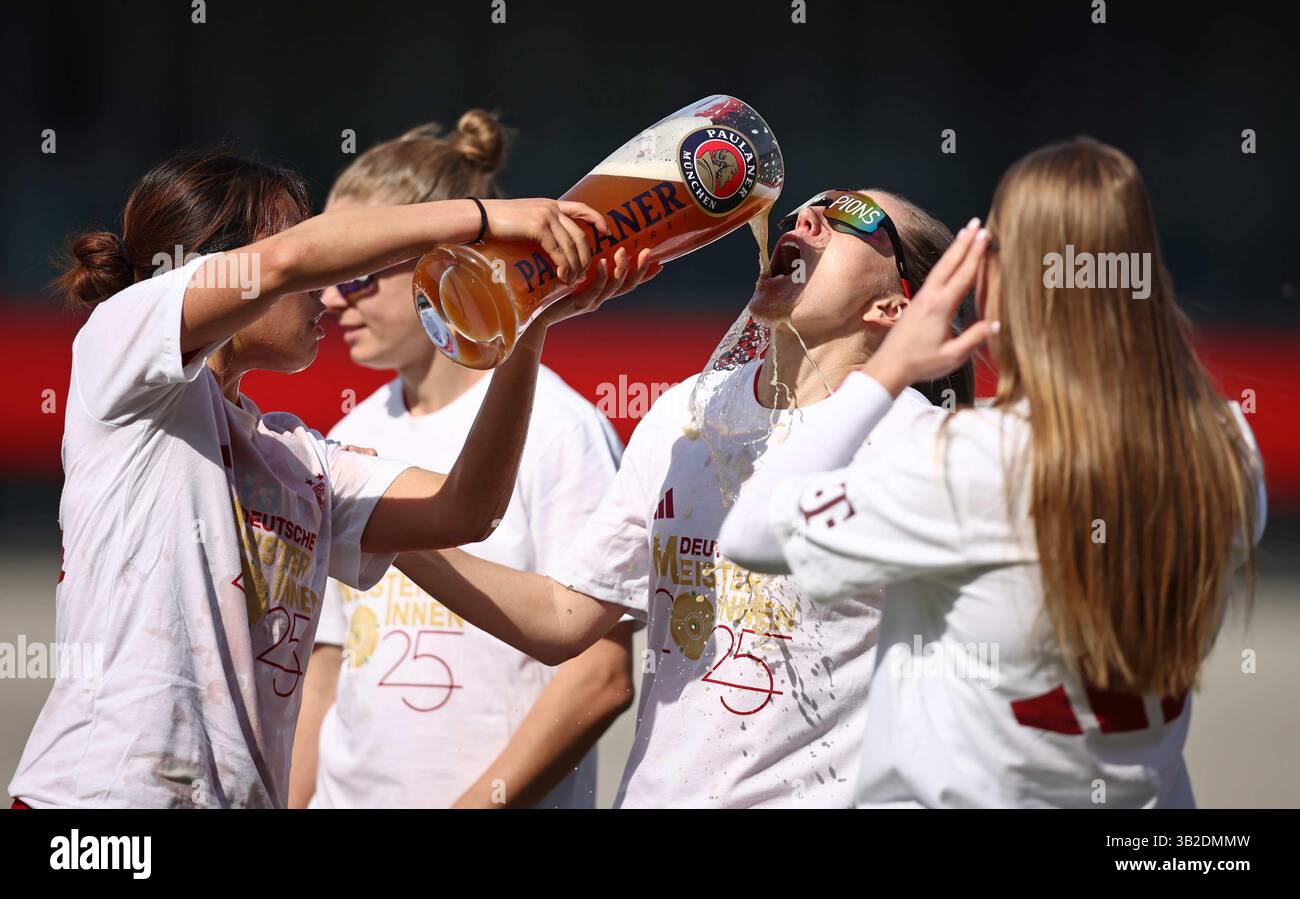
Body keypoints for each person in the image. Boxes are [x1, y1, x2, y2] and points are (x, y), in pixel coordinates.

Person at [8, 146, 641, 809]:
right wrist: (488, 220)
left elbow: (467, 509)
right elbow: (287, 261)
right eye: (311, 253)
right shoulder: (124, 348)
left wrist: (526, 332)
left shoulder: (305, 457)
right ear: (214, 268)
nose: (329, 289)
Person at [719, 137, 1267, 808]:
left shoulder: (972, 463)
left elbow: (751, 530)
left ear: (1011, 277)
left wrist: (886, 372)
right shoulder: (1225, 448)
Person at [394, 187, 974, 807]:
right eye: (813, 203)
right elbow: (562, 619)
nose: (806, 215)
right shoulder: (686, 411)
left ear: (892, 306)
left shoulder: (929, 453)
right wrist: (377, 521)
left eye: (850, 217)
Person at [288, 111, 644, 810]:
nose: (331, 296)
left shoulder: (562, 428)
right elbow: (325, 670)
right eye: (331, 271)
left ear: (439, 259)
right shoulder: (350, 431)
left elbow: (601, 675)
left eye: (357, 274)